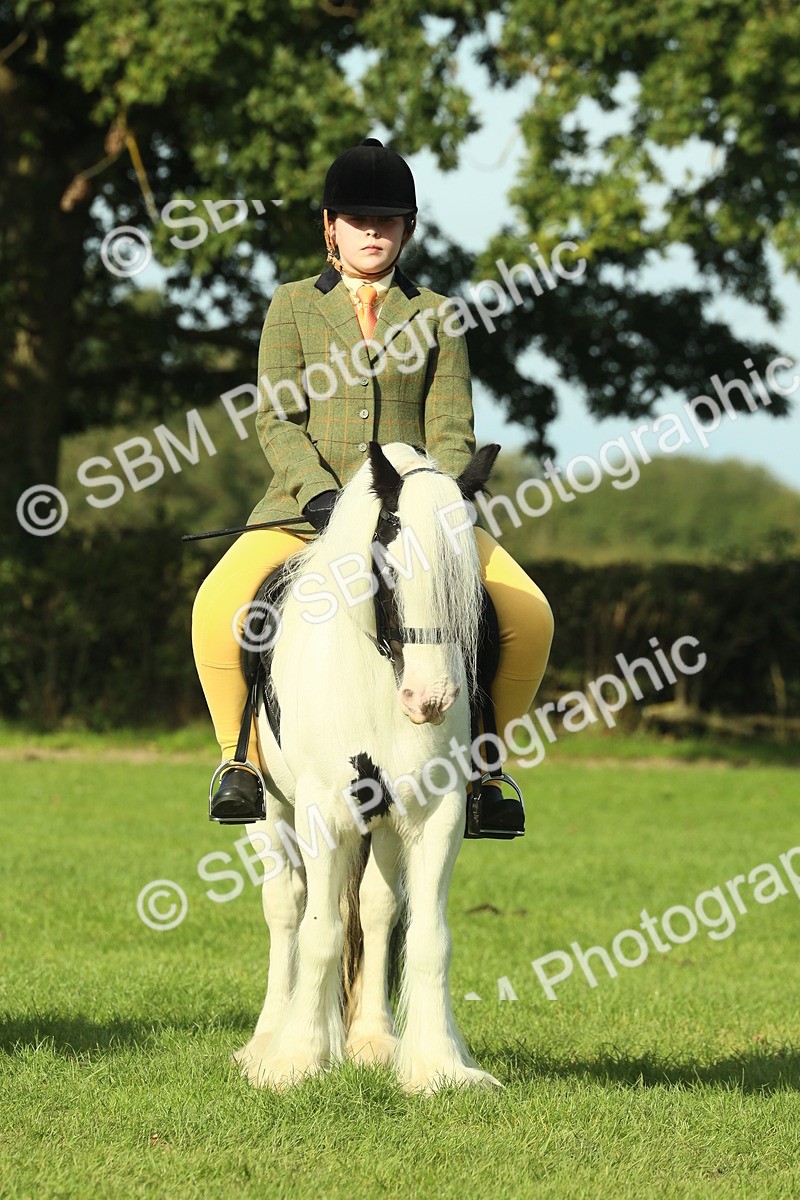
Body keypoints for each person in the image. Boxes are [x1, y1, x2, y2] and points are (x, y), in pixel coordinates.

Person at [191, 138, 554, 834]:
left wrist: (431, 505)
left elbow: (451, 430)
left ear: (407, 229)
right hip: (304, 511)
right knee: (216, 607)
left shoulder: (438, 314)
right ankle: (241, 762)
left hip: (416, 520)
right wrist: (320, 495)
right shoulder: (292, 306)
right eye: (358, 220)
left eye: (386, 221)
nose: (372, 233)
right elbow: (277, 417)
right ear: (331, 226)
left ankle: (485, 771)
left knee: (529, 615)